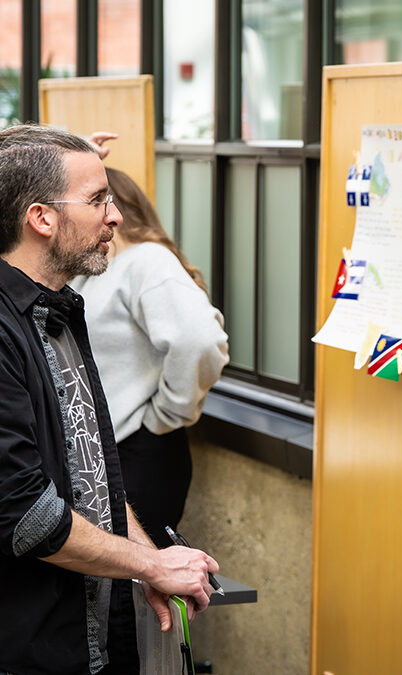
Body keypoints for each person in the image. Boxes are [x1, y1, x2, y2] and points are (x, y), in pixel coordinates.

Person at [0, 123, 219, 675]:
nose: (116, 216)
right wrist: (149, 562)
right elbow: (25, 514)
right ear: (42, 218)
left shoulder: (61, 311)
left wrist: (147, 566)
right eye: (98, 200)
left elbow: (89, 474)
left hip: (87, 636)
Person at [71, 167, 229, 549]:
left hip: (140, 450)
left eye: (92, 201)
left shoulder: (146, 261)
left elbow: (201, 341)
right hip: (105, 452)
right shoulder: (93, 270)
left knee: (137, 590)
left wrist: (167, 415)